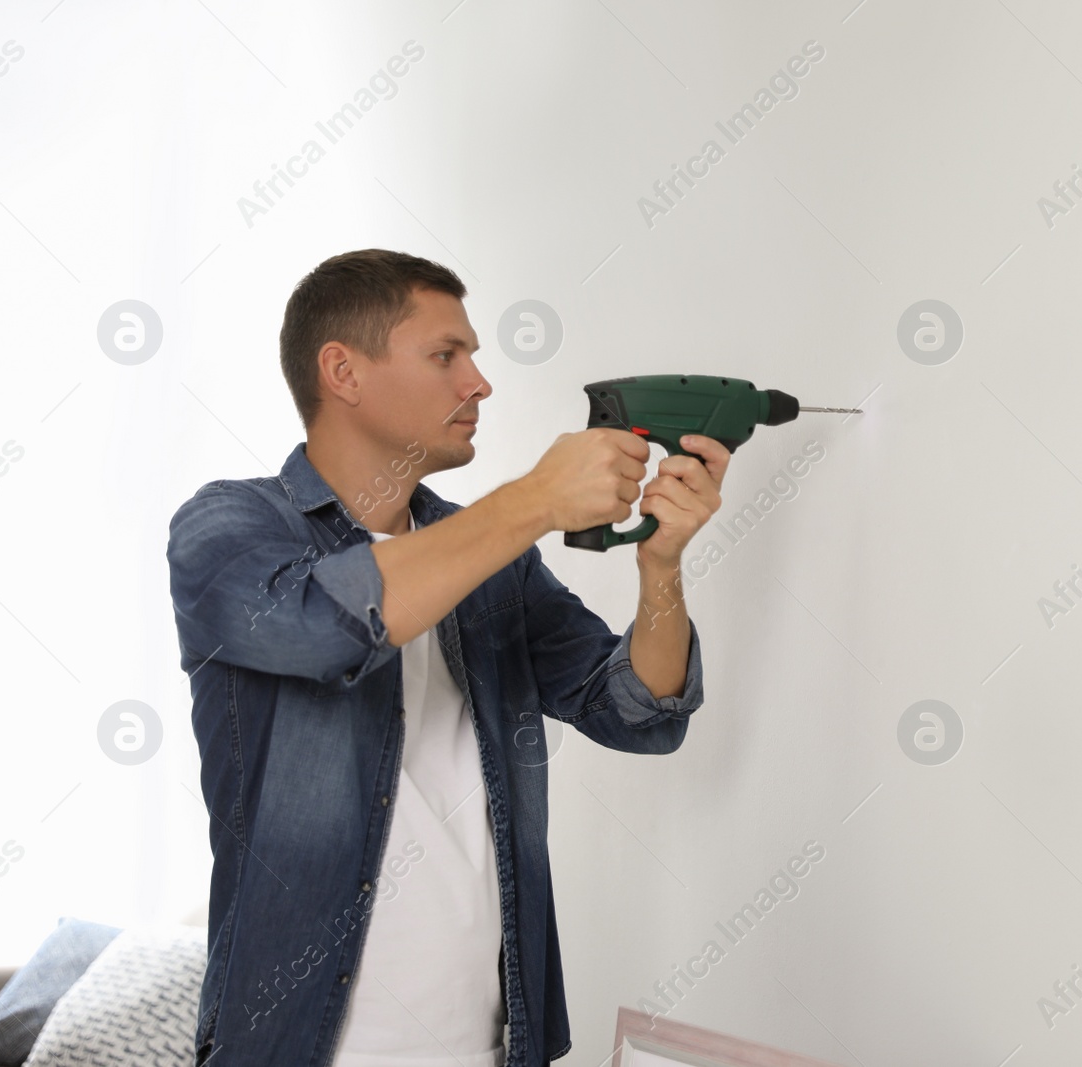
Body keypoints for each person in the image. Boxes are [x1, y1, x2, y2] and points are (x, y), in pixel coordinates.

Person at [165, 249, 728, 1067]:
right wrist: (535, 498)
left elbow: (639, 711)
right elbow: (331, 625)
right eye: (445, 356)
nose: (479, 383)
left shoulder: (495, 559)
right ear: (343, 371)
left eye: (473, 355)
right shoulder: (226, 528)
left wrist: (662, 567)